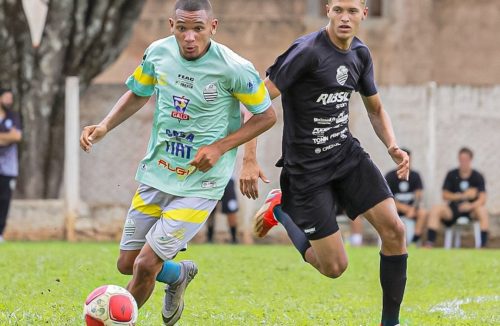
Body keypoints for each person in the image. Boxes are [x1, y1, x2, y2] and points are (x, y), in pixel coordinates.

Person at [80, 0, 276, 324]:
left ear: (212, 27)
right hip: (158, 173)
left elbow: (265, 115)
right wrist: (104, 125)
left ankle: (116, 320)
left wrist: (226, 150)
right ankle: (177, 275)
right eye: (182, 28)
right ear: (171, 26)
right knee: (127, 263)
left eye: (198, 28)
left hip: (202, 184)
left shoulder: (235, 67)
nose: (189, 37)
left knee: (144, 265)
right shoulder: (158, 53)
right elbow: (139, 92)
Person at [240, 1, 409, 325]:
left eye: (352, 10)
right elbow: (255, 102)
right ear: (327, 11)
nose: (345, 17)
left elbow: (375, 109)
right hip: (306, 171)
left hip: (345, 155)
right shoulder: (305, 53)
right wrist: (249, 158)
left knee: (395, 231)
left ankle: (390, 322)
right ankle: (281, 208)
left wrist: (392, 145)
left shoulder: (360, 55)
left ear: (364, 13)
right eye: (338, 9)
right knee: (333, 267)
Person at [425, 147, 489, 248]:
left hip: (471, 210)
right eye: (461, 159)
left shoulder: (477, 176)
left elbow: (482, 199)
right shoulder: (452, 174)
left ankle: (483, 245)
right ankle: (429, 243)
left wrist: (470, 206)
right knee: (436, 208)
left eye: (466, 159)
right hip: (454, 209)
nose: (463, 162)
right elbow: (445, 195)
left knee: (482, 210)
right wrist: (462, 196)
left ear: (471, 160)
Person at [385, 148, 427, 245]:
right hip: (394, 210)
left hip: (412, 209)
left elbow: (418, 196)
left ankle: (414, 241)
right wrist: (405, 209)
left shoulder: (415, 176)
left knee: (423, 213)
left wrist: (413, 208)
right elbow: (387, 198)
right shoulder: (390, 176)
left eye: (407, 160)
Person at [0, 88, 22, 243]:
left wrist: (9, 137)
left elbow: (17, 136)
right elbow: (11, 136)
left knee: (4, 200)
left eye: (11, 98)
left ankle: (0, 233)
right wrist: (7, 137)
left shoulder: (14, 116)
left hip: (8, 167)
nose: (9, 101)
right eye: (6, 98)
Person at [206, 177, 240, 244]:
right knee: (210, 210)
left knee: (231, 210)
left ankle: (234, 239)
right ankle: (209, 238)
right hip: (211, 180)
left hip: (228, 180)